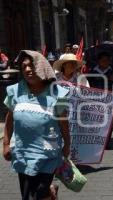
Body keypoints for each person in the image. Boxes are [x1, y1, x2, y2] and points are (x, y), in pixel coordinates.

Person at [2, 50, 71, 199]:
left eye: (32, 66)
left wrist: (67, 144)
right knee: (27, 195)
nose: (27, 70)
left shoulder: (58, 94)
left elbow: (64, 122)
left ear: (42, 67)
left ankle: (48, 191)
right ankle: (51, 192)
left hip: (48, 153)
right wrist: (6, 144)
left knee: (39, 193)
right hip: (23, 152)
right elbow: (10, 118)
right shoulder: (14, 91)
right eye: (24, 66)